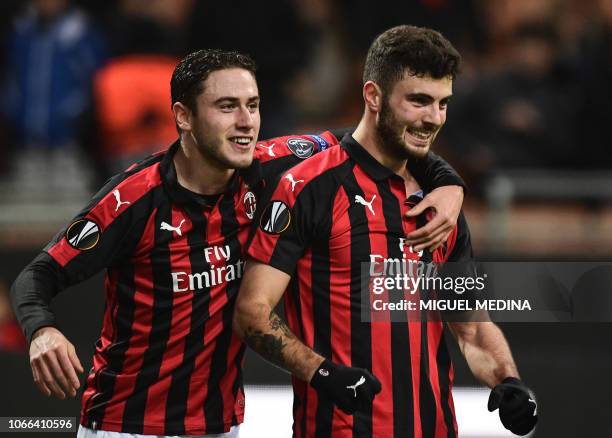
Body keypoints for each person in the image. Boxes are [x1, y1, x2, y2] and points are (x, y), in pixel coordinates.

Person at [10, 49, 465, 437]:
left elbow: (370, 139)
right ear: (184, 117)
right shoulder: (132, 200)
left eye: (253, 104)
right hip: (127, 424)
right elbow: (38, 275)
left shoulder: (270, 167)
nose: (247, 122)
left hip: (222, 425)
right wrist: (42, 330)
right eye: (227, 106)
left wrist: (447, 181)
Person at [233, 26, 538, 438]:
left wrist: (508, 381)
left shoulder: (442, 205)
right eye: (418, 101)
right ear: (373, 96)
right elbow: (253, 313)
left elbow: (471, 326)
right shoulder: (309, 188)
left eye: (443, 103)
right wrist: (324, 374)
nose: (433, 118)